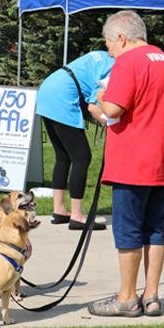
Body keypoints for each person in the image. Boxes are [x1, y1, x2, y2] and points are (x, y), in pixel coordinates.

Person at [87, 10, 164, 317]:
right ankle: (152, 295)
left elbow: (115, 107)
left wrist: (102, 96)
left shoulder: (128, 62)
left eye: (109, 44)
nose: (108, 51)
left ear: (121, 37)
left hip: (135, 158)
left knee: (128, 227)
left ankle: (127, 298)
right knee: (155, 227)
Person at [36, 50, 114, 231]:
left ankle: (59, 211)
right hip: (63, 96)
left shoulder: (103, 55)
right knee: (82, 157)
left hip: (48, 89)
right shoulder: (116, 67)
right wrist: (110, 123)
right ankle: (77, 216)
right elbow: (94, 107)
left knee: (63, 156)